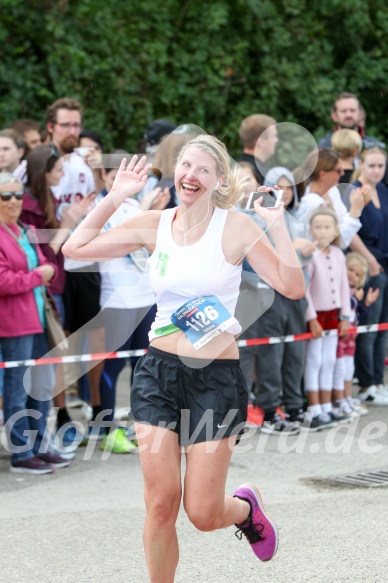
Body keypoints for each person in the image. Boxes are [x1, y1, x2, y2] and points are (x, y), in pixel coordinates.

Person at [63, 133, 305, 582]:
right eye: (185, 166)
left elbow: (292, 287)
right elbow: (73, 250)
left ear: (218, 181)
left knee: (202, 512)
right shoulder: (153, 223)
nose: (190, 176)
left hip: (215, 377)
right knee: (159, 505)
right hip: (157, 372)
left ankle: (244, 509)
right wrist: (115, 196)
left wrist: (279, 225)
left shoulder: (236, 227)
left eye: (202, 170)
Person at [0, 172, 70, 473]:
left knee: (41, 387)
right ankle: (21, 453)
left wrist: (44, 271)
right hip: (14, 323)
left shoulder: (25, 229)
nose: (14, 201)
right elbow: (3, 280)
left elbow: (49, 264)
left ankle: (40, 445)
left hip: (41, 318)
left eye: (18, 195)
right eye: (6, 196)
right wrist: (37, 276)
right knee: (17, 390)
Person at [237, 167, 312, 431]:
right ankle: (266, 410)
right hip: (264, 293)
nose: (284, 193)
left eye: (289, 187)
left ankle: (292, 405)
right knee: (266, 352)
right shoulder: (254, 218)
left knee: (292, 352)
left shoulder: (298, 219)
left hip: (295, 295)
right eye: (277, 187)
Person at [46, 97, 103, 437]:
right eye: (65, 125)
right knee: (60, 340)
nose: (72, 131)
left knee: (94, 334)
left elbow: (94, 202)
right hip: (55, 262)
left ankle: (96, 408)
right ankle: (62, 414)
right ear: (51, 126)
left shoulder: (82, 164)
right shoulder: (38, 164)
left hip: (84, 259)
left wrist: (97, 172)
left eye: (76, 125)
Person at [303, 207, 351, 431]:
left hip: (334, 314)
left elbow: (344, 287)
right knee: (315, 361)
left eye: (327, 227)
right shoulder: (309, 255)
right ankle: (314, 408)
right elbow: (306, 289)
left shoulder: (340, 254)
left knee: (330, 360)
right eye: (318, 227)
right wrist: (311, 317)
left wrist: (345, 316)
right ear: (311, 230)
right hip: (317, 316)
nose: (322, 232)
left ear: (335, 230)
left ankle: (327, 405)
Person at [348, 146, 388, 405]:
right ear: (361, 164)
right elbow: (349, 232)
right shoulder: (354, 191)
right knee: (368, 327)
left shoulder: (383, 190)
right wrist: (370, 261)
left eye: (381, 166)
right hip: (367, 265)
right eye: (371, 165)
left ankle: (378, 381)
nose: (376, 171)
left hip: (383, 264)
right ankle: (366, 384)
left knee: (382, 327)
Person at [332, 252, 379, 416]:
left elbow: (358, 315)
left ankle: (346, 398)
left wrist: (366, 304)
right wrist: (357, 301)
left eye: (357, 274)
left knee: (348, 369)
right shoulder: (340, 290)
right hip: (339, 340)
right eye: (350, 270)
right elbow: (343, 309)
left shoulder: (355, 292)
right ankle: (339, 401)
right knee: (339, 369)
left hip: (350, 342)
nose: (352, 275)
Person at [296, 148, 365, 249]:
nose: (342, 173)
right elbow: (339, 241)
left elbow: (341, 222)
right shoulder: (313, 203)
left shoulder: (332, 191)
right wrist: (355, 210)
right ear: (323, 174)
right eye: (338, 170)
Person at [237, 114, 278, 184]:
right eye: (274, 136)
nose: (276, 140)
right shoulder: (257, 174)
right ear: (261, 141)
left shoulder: (234, 167)